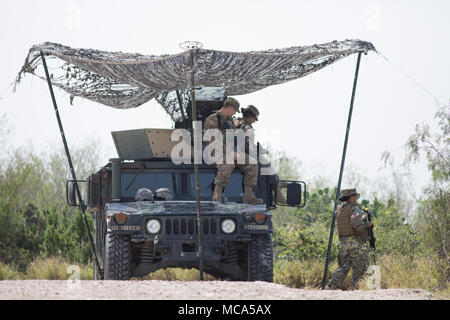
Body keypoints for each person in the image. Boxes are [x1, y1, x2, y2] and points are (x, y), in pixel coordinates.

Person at [203, 98, 263, 204]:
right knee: (228, 162)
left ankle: (248, 195)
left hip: (231, 152)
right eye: (235, 111)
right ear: (230, 108)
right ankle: (217, 194)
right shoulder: (212, 120)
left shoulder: (230, 121)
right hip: (217, 152)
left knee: (252, 163)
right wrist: (231, 153)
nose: (235, 113)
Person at [234, 105, 287, 204]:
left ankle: (277, 188)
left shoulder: (237, 123)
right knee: (265, 164)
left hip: (238, 152)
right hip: (241, 154)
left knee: (264, 162)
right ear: (250, 116)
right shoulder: (246, 127)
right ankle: (277, 189)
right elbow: (245, 144)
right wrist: (259, 150)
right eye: (254, 119)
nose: (254, 121)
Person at [328, 188, 373, 290]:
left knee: (344, 267)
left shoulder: (340, 210)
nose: (357, 197)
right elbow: (357, 224)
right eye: (355, 195)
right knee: (360, 266)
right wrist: (367, 224)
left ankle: (333, 286)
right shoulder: (353, 209)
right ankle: (356, 288)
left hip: (344, 243)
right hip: (355, 242)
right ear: (351, 197)